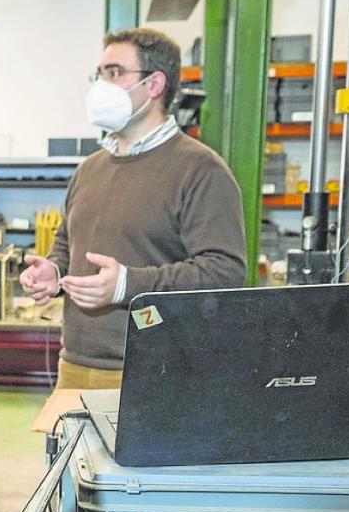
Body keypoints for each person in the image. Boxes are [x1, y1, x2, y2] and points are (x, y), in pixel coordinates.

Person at [20, 28, 247, 390]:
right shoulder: (90, 168)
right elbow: (68, 243)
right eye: (99, 75)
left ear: (154, 84)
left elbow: (225, 271)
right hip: (75, 364)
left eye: (114, 73)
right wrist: (54, 271)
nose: (101, 86)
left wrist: (130, 284)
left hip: (155, 372)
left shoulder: (201, 170)